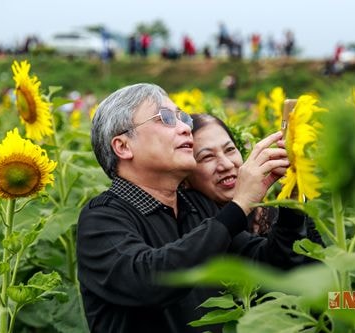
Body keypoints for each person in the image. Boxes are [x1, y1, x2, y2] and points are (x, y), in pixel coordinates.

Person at [77, 83, 311, 333]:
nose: (185, 128)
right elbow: (151, 280)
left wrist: (291, 199)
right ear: (123, 146)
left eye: (182, 118)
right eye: (166, 118)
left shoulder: (196, 206)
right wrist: (239, 205)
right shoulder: (101, 217)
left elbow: (268, 267)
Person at [184, 113, 323, 240]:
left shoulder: (270, 214)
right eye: (207, 156)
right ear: (185, 174)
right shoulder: (194, 228)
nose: (226, 164)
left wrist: (294, 189)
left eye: (230, 149)